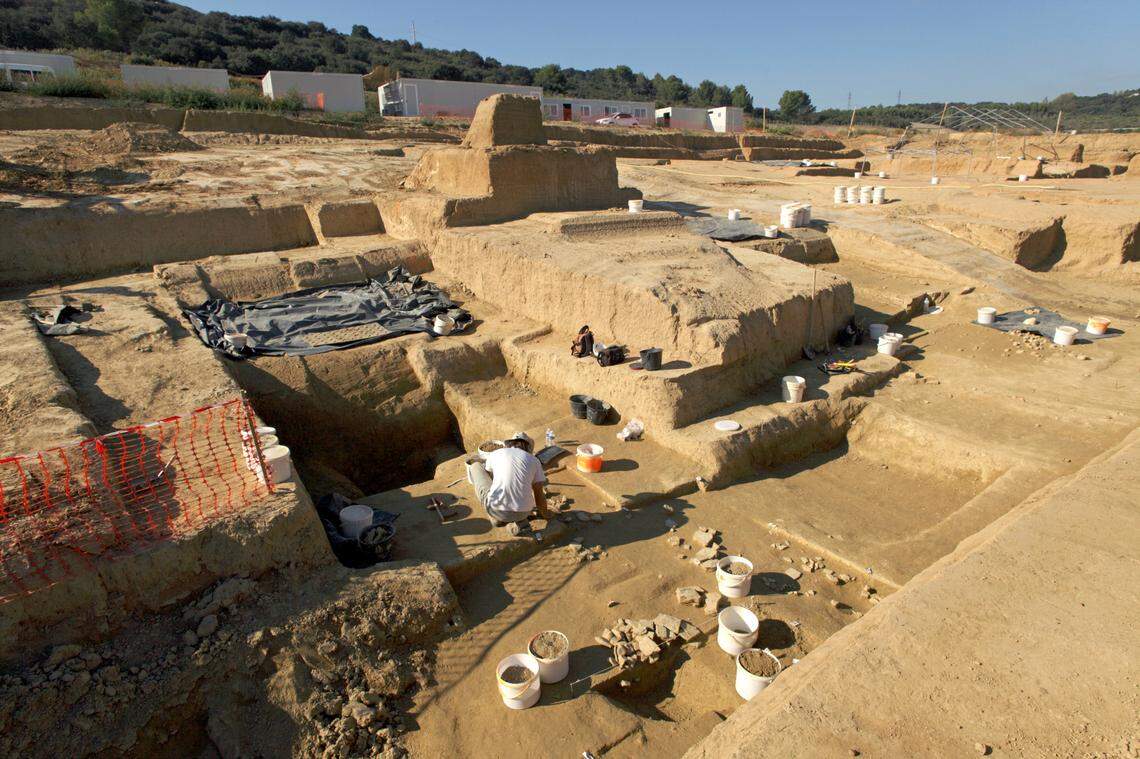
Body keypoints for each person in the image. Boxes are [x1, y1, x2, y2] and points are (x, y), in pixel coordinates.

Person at [467, 432, 555, 528]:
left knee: (475, 466)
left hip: (496, 510)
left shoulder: (496, 453)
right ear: (528, 447)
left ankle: (496, 518)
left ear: (509, 444)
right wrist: (545, 513)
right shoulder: (534, 460)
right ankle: (520, 521)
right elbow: (539, 494)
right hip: (524, 512)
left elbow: (489, 474)